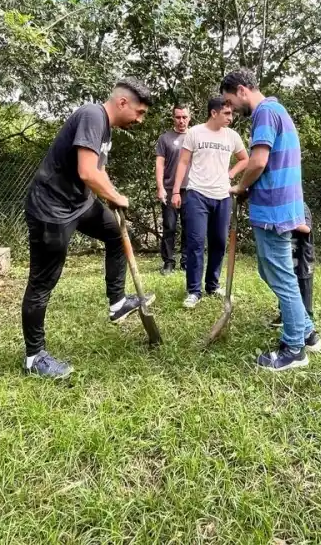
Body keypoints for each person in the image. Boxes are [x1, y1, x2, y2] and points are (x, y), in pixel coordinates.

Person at [21, 78, 154, 379]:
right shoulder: (92, 115)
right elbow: (86, 172)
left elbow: (98, 170)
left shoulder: (106, 127)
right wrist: (116, 197)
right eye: (139, 112)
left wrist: (113, 196)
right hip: (51, 210)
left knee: (115, 234)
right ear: (122, 102)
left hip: (79, 204)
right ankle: (34, 357)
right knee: (42, 283)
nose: (140, 120)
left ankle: (117, 302)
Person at [221, 68, 321, 372]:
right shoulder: (278, 110)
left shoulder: (264, 113)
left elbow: (258, 161)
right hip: (280, 205)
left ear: (242, 90)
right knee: (270, 272)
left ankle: (294, 349)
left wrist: (242, 187)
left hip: (274, 209)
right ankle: (307, 332)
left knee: (281, 276)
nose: (231, 108)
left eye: (231, 101)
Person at [171, 95, 249, 308]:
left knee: (219, 243)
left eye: (231, 113)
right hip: (197, 194)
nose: (230, 117)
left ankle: (212, 286)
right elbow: (183, 162)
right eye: (226, 113)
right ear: (213, 113)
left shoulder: (232, 136)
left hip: (222, 196)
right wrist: (176, 191)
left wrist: (231, 174)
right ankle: (194, 291)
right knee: (196, 243)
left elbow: (245, 159)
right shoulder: (195, 132)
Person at [155, 104, 191, 274]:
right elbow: (159, 164)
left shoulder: (195, 136)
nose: (181, 120)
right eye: (178, 117)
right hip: (169, 189)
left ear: (189, 118)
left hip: (191, 189)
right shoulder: (165, 138)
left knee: (189, 226)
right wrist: (160, 187)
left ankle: (186, 260)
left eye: (184, 117)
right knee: (169, 226)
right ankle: (168, 262)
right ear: (173, 118)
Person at [271, 203, 315, 328]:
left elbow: (306, 228)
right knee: (286, 282)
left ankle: (307, 317)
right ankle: (284, 315)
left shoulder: (300, 206)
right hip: (289, 253)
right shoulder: (284, 205)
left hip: (303, 256)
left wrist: (285, 223)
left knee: (304, 284)